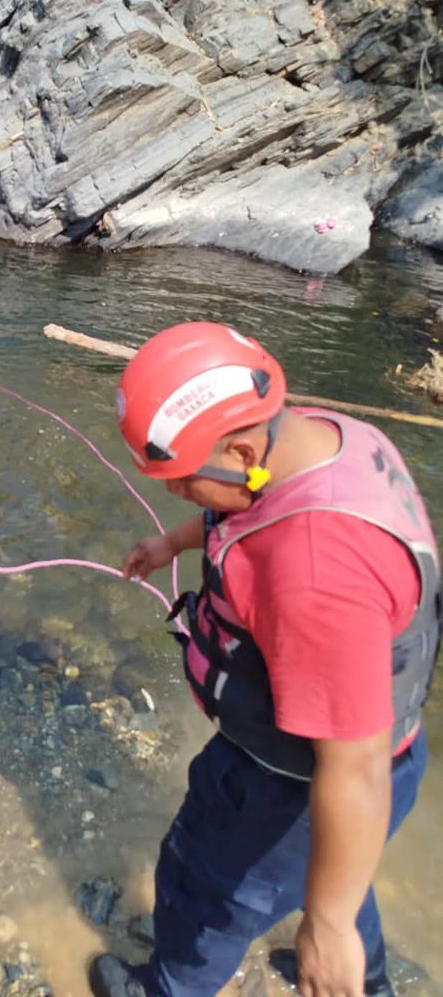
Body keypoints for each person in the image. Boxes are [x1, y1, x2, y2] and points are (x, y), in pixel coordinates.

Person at [89, 321, 440, 997]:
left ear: (243, 449)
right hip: (379, 761)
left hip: (298, 782)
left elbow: (354, 768)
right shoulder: (327, 438)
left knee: (204, 887)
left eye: (182, 483)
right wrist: (174, 542)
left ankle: (169, 988)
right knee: (336, 869)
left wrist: (326, 928)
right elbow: (242, 507)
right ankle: (369, 982)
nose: (177, 494)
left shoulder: (316, 570)